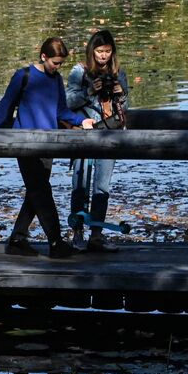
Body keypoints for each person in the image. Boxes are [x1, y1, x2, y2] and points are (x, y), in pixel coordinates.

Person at [0, 37, 86, 259]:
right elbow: (6, 106)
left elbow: (61, 111)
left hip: (48, 145)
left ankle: (17, 239)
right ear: (44, 57)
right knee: (42, 191)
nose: (58, 67)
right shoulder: (24, 76)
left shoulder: (57, 80)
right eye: (55, 63)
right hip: (25, 144)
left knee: (35, 193)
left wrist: (81, 121)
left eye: (61, 63)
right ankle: (55, 242)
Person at [66, 30, 130, 252]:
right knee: (79, 186)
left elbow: (125, 108)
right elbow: (67, 102)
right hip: (83, 134)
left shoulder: (118, 72)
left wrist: (120, 94)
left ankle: (97, 234)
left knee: (102, 187)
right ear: (92, 51)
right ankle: (77, 233)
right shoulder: (79, 72)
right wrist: (89, 91)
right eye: (100, 51)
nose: (103, 56)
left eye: (108, 52)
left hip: (109, 133)